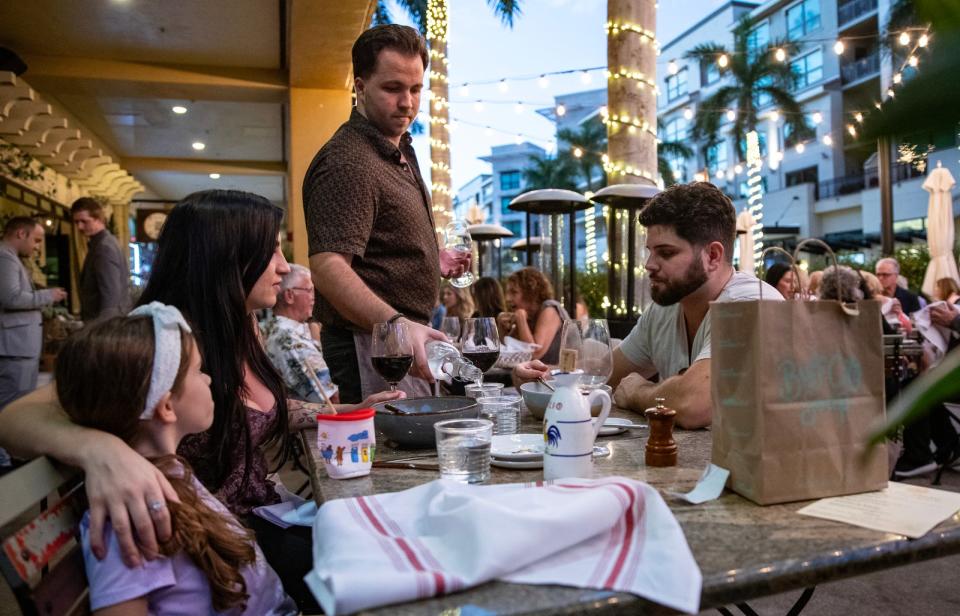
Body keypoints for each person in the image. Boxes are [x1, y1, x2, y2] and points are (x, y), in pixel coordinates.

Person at [0, 190, 400, 611]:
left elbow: (255, 412)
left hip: (255, 528)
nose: (283, 267)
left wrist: (338, 412)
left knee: (379, 532)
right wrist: (99, 449)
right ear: (227, 258)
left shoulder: (242, 325)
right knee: (379, 555)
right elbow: (13, 419)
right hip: (217, 555)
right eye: (271, 251)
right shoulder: (160, 341)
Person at [59, 304, 296, 615]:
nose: (210, 380)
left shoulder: (172, 473)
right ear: (166, 405)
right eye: (199, 370)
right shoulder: (132, 512)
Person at [514, 182, 783, 428]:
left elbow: (694, 404)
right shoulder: (664, 310)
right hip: (695, 470)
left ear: (712, 255)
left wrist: (639, 394)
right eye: (650, 251)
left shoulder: (752, 303)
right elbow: (606, 376)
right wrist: (540, 377)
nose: (649, 265)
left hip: (767, 476)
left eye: (666, 253)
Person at [304, 24, 469, 404]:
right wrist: (395, 326)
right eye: (393, 88)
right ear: (360, 87)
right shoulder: (349, 161)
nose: (408, 103)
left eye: (415, 89)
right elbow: (328, 266)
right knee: (384, 460)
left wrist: (430, 258)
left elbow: (378, 244)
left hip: (395, 341)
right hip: (370, 347)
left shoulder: (395, 148)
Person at [0, 217, 67, 409]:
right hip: (14, 347)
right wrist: (48, 295)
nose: (37, 247)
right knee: (12, 407)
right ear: (21, 233)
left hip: (18, 347)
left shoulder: (10, 256)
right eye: (36, 240)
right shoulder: (5, 256)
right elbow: (11, 298)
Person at [261, 264, 339, 405]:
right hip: (313, 423)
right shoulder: (289, 339)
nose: (313, 298)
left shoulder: (276, 328)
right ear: (289, 295)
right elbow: (331, 398)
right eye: (309, 290)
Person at [71, 197, 130, 322]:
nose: (79, 227)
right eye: (76, 222)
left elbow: (111, 296)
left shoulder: (104, 248)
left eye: (84, 221)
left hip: (103, 326)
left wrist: (104, 333)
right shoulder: (103, 244)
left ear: (98, 219)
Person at [499, 267, 569, 364]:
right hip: (539, 375)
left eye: (514, 292)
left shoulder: (550, 309)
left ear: (531, 292)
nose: (507, 299)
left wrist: (521, 320)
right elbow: (509, 353)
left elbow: (535, 353)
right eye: (507, 293)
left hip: (562, 376)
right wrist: (502, 329)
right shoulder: (529, 314)